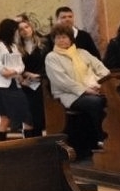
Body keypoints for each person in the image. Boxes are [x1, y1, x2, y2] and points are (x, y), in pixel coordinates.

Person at [45, 25, 111, 160]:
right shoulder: (52, 57)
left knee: (112, 100)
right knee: (95, 102)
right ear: (53, 40)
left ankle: (114, 137)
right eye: (58, 38)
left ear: (71, 39)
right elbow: (61, 81)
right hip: (68, 95)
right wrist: (85, 90)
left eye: (64, 37)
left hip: (92, 89)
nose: (61, 40)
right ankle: (101, 137)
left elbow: (102, 70)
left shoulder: (82, 53)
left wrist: (96, 84)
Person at [0, 18, 34, 141]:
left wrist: (13, 71)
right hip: (0, 87)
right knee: (5, 118)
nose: (18, 33)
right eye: (16, 30)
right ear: (9, 30)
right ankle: (1, 149)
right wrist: (13, 71)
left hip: (16, 85)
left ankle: (28, 145)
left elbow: (21, 65)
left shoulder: (14, 46)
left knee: (27, 116)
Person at [15, 14, 47, 137]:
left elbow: (48, 62)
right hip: (24, 83)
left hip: (41, 82)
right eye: (21, 29)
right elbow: (14, 65)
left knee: (38, 113)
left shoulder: (43, 43)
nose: (25, 30)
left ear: (31, 27)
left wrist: (38, 75)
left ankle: (38, 140)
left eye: (26, 27)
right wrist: (24, 73)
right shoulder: (17, 47)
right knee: (26, 114)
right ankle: (28, 141)